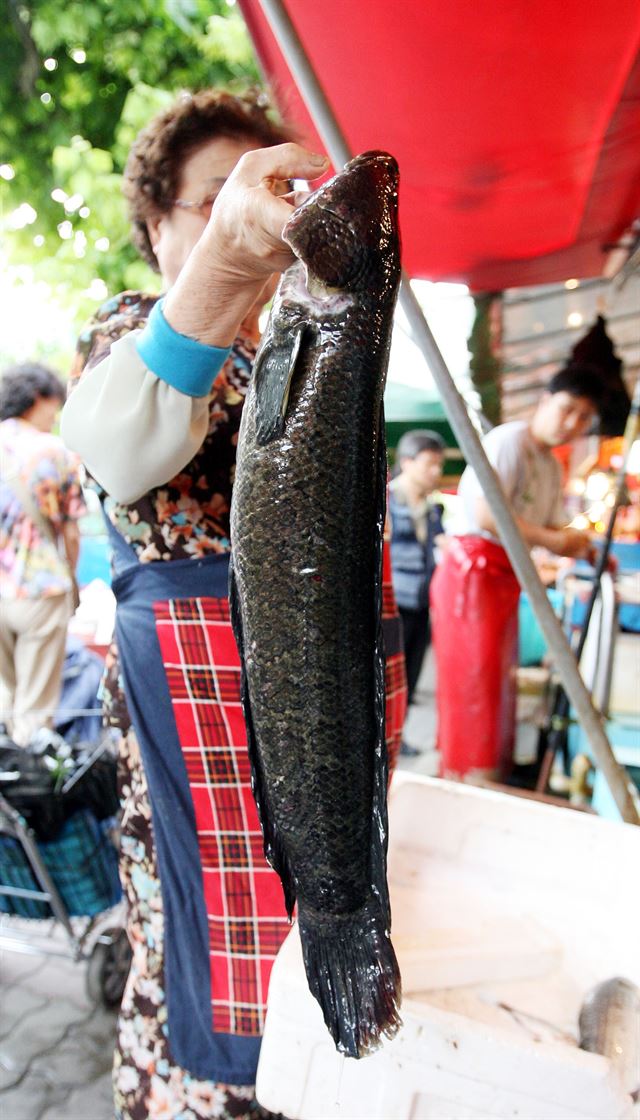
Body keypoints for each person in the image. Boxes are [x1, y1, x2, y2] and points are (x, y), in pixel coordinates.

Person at [61, 88, 407, 1120]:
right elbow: (120, 447)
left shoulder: (299, 349)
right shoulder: (140, 333)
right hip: (192, 779)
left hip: (320, 735)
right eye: (215, 198)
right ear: (159, 222)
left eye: (265, 188)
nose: (252, 212)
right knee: (209, 1045)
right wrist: (222, 264)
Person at [430, 364, 604, 782]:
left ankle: (488, 775)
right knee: (473, 685)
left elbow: (553, 526)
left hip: (504, 578)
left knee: (494, 688)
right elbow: (488, 516)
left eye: (583, 417)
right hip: (472, 575)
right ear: (544, 401)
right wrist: (556, 541)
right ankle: (466, 777)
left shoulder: (552, 465)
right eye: (567, 409)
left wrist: (584, 547)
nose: (572, 424)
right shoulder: (509, 440)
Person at [0, 362, 85, 746]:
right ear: (38, 399)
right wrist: (73, 578)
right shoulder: (52, 450)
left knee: (5, 698)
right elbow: (70, 530)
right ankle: (32, 790)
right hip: (40, 588)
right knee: (34, 710)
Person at [389, 430, 445, 753]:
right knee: (389, 670)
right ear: (407, 462)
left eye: (438, 465)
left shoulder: (433, 508)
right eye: (429, 464)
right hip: (394, 603)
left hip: (422, 602)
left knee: (410, 673)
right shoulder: (387, 500)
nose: (435, 472)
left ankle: (399, 735)